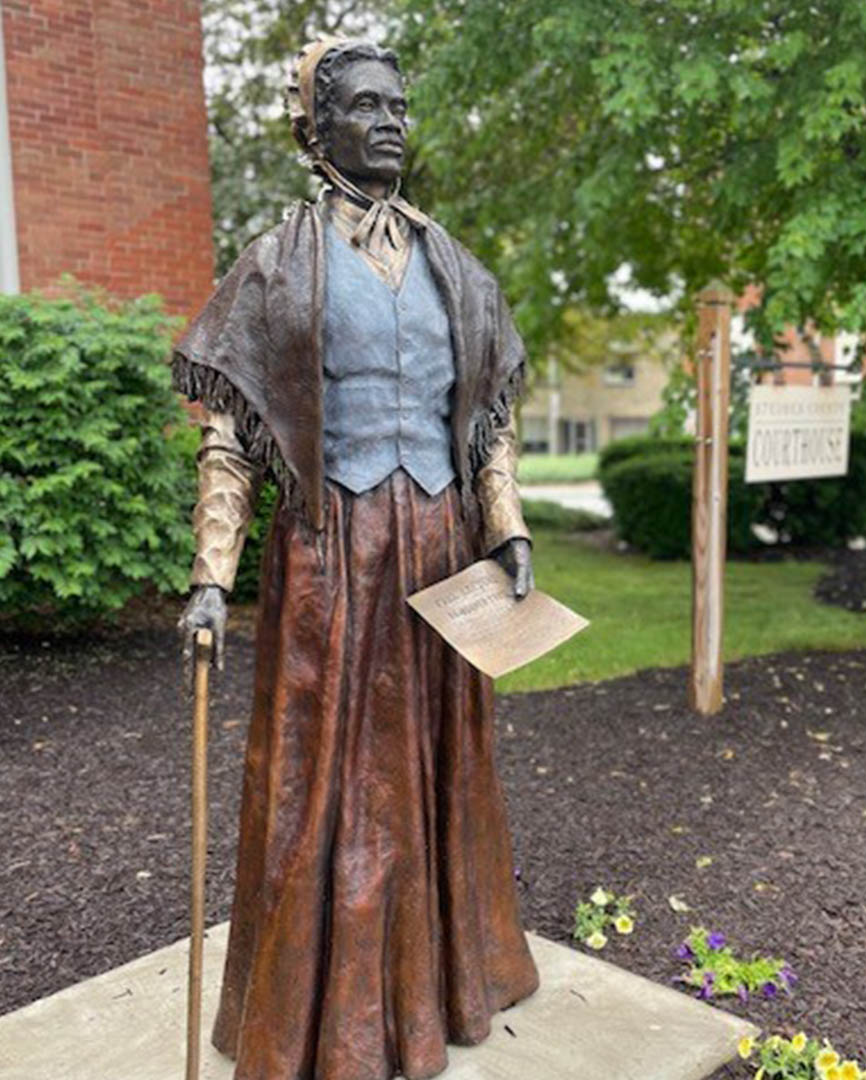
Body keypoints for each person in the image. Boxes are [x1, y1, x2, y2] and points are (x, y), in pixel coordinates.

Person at [175, 38, 539, 1080]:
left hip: (438, 550)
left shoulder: (451, 266)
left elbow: (489, 422)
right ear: (317, 128)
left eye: (400, 107)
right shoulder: (277, 267)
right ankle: (320, 1020)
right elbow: (233, 438)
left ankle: (435, 991)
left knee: (437, 775)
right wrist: (210, 578)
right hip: (329, 554)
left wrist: (506, 524)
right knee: (323, 789)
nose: (391, 123)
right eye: (368, 106)